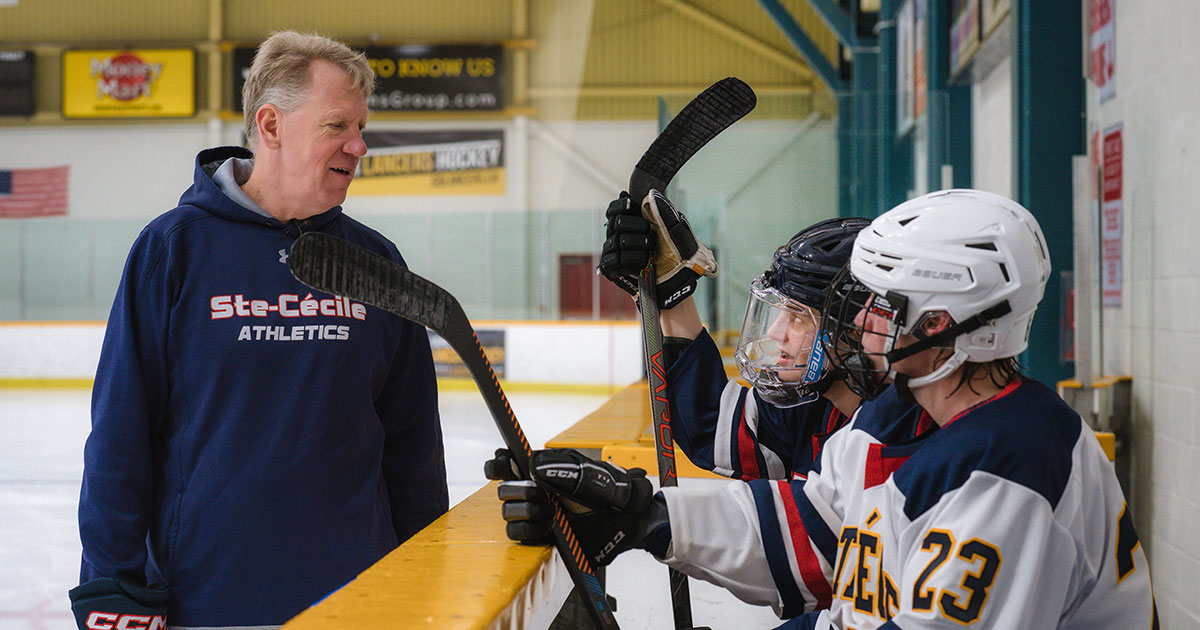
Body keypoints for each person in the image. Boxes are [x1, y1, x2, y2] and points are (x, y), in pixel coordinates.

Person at [498, 189, 1157, 629]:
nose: (862, 319)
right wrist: (645, 512)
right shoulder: (896, 416)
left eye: (882, 305)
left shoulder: (1013, 464)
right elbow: (808, 530)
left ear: (948, 323)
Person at [70, 31, 449, 629]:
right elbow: (122, 433)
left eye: (361, 127)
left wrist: (427, 574)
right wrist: (112, 589)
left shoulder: (377, 263)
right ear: (270, 126)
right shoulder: (173, 250)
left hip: (360, 605)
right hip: (208, 604)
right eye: (338, 126)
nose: (360, 145)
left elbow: (414, 446)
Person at [597, 190, 867, 480]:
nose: (777, 333)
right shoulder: (813, 410)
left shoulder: (899, 442)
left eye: (798, 318)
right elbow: (711, 422)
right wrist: (671, 294)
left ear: (856, 330)